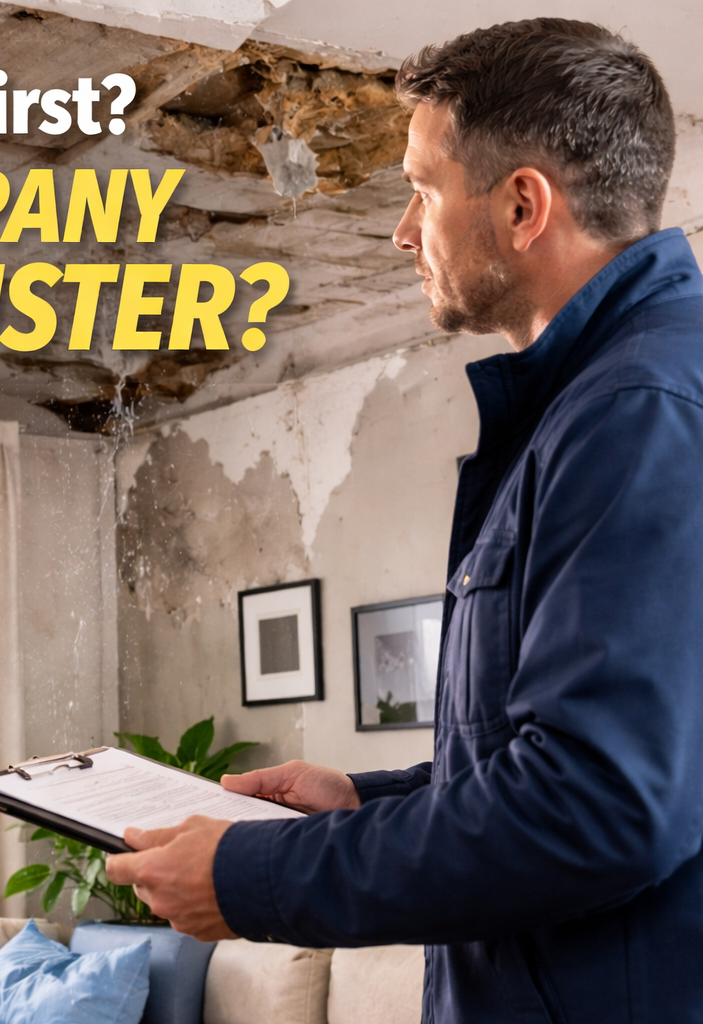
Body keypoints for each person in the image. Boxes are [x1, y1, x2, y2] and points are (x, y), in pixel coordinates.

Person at [106, 18, 703, 1024]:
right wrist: (365, 799)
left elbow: (598, 806)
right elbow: (559, 757)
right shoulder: (607, 402)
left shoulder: (636, 413)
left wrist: (259, 876)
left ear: (522, 205)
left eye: (423, 189)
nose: (401, 229)